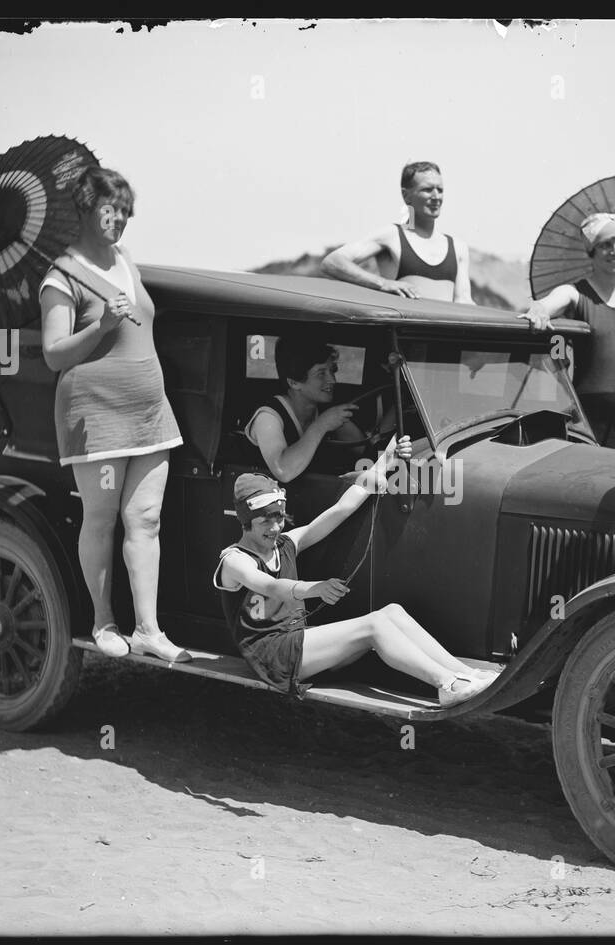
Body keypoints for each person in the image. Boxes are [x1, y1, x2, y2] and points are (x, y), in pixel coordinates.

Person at [38, 165, 190, 662]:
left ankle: (147, 630)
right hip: (97, 417)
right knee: (101, 519)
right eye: (112, 209)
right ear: (85, 208)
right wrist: (102, 325)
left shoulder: (125, 259)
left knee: (145, 519)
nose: (121, 219)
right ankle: (104, 621)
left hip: (150, 412)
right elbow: (55, 354)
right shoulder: (60, 276)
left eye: (127, 211)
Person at [213, 445, 498, 706]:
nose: (274, 527)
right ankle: (445, 684)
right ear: (245, 521)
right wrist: (315, 588)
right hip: (273, 657)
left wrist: (385, 460)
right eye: (265, 521)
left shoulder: (286, 543)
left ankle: (465, 674)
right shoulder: (234, 561)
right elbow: (272, 586)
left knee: (392, 613)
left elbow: (340, 510)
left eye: (278, 518)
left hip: (298, 641)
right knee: (374, 626)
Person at [520, 213, 615, 454]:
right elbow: (544, 305)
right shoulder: (574, 294)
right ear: (591, 251)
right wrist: (539, 310)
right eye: (605, 245)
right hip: (590, 420)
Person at [321, 161, 472, 303]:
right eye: (427, 190)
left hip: (443, 330)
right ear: (406, 196)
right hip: (403, 330)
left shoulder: (458, 247)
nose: (436, 196)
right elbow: (332, 262)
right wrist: (382, 283)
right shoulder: (391, 236)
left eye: (440, 190)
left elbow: (464, 302)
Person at [245, 337, 367, 482]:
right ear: (294, 382)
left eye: (332, 371)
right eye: (321, 374)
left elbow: (361, 449)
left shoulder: (322, 409)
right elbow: (283, 471)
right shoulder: (267, 417)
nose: (332, 380)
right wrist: (321, 425)